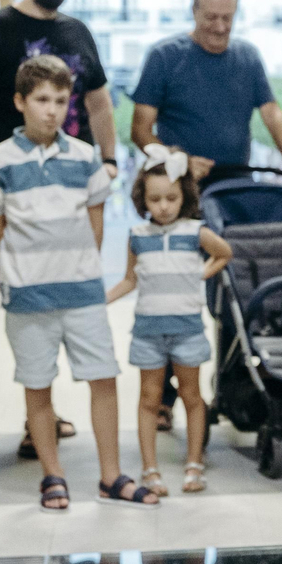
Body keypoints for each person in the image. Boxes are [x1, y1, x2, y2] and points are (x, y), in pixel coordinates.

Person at [0, 55, 157, 511]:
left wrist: (76, 267)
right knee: (38, 384)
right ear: (20, 102)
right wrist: (29, 267)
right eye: (41, 100)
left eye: (60, 100)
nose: (52, 110)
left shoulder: (84, 156)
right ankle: (52, 474)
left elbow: (95, 225)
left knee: (103, 378)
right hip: (28, 295)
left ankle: (110, 476)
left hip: (82, 293)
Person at [131, 0, 282, 430]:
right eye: (210, 17)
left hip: (235, 189)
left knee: (235, 284)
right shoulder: (165, 58)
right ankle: (169, 395)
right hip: (181, 193)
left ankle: (235, 386)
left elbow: (271, 113)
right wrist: (180, 160)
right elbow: (140, 131)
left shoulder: (247, 57)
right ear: (193, 12)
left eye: (227, 18)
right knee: (178, 292)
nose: (219, 27)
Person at [0, 0, 115, 457]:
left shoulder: (78, 32)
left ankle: (47, 424)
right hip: (16, 194)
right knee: (32, 316)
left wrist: (110, 161)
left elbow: (97, 106)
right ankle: (39, 423)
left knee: (79, 311)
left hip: (74, 183)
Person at [106, 145, 232, 495]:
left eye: (171, 198)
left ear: (184, 197)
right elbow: (129, 280)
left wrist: (200, 275)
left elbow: (224, 252)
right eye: (155, 198)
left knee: (193, 396)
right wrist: (101, 300)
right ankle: (150, 469)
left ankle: (194, 464)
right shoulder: (138, 238)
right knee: (149, 399)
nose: (163, 206)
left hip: (187, 331)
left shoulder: (196, 232)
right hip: (148, 332)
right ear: (143, 199)